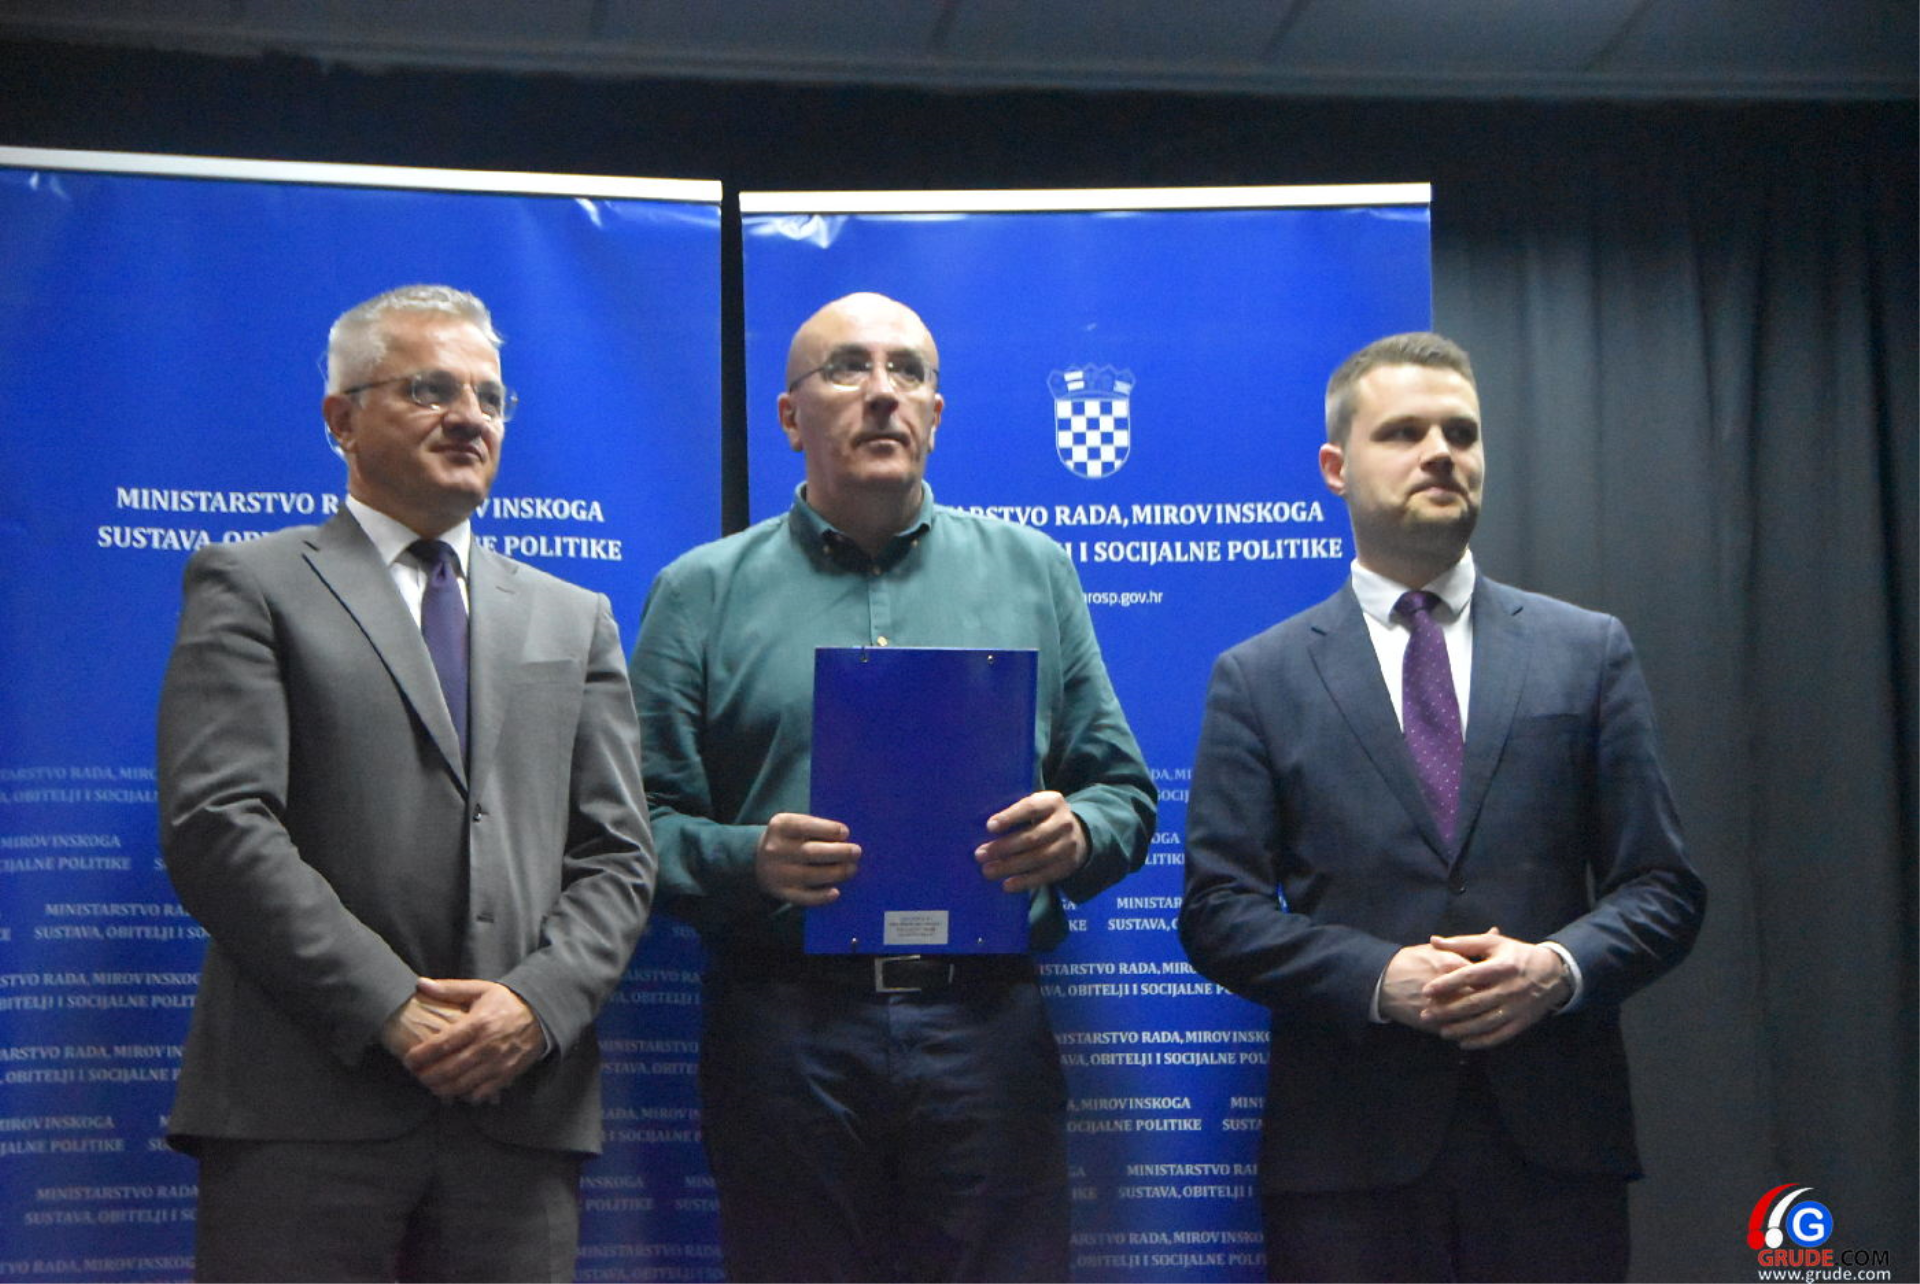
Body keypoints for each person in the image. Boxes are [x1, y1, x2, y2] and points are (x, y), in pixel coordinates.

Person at [630, 291, 1155, 1283]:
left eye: (907, 372)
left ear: (937, 414)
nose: (882, 393)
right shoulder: (700, 592)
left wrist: (1077, 834)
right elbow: (632, 832)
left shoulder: (1034, 572)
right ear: (790, 417)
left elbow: (1122, 791)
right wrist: (748, 860)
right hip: (785, 1030)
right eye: (848, 369)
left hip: (984, 1027)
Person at [1178, 332, 1706, 1284]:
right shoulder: (1259, 678)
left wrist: (1555, 968)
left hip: (1555, 1152)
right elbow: (1218, 913)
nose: (1440, 454)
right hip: (1345, 1160)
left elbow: (1662, 889)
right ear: (1335, 468)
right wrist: (1381, 977)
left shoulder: (1586, 652)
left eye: (1461, 433)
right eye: (1404, 433)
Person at [157, 284, 656, 1284]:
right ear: (341, 419)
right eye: (431, 389)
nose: (470, 416)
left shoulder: (576, 617)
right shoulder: (251, 582)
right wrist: (389, 1004)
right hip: (303, 1112)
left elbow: (618, 855)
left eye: (490, 397)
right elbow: (219, 823)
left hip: (516, 1117)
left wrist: (536, 1006)